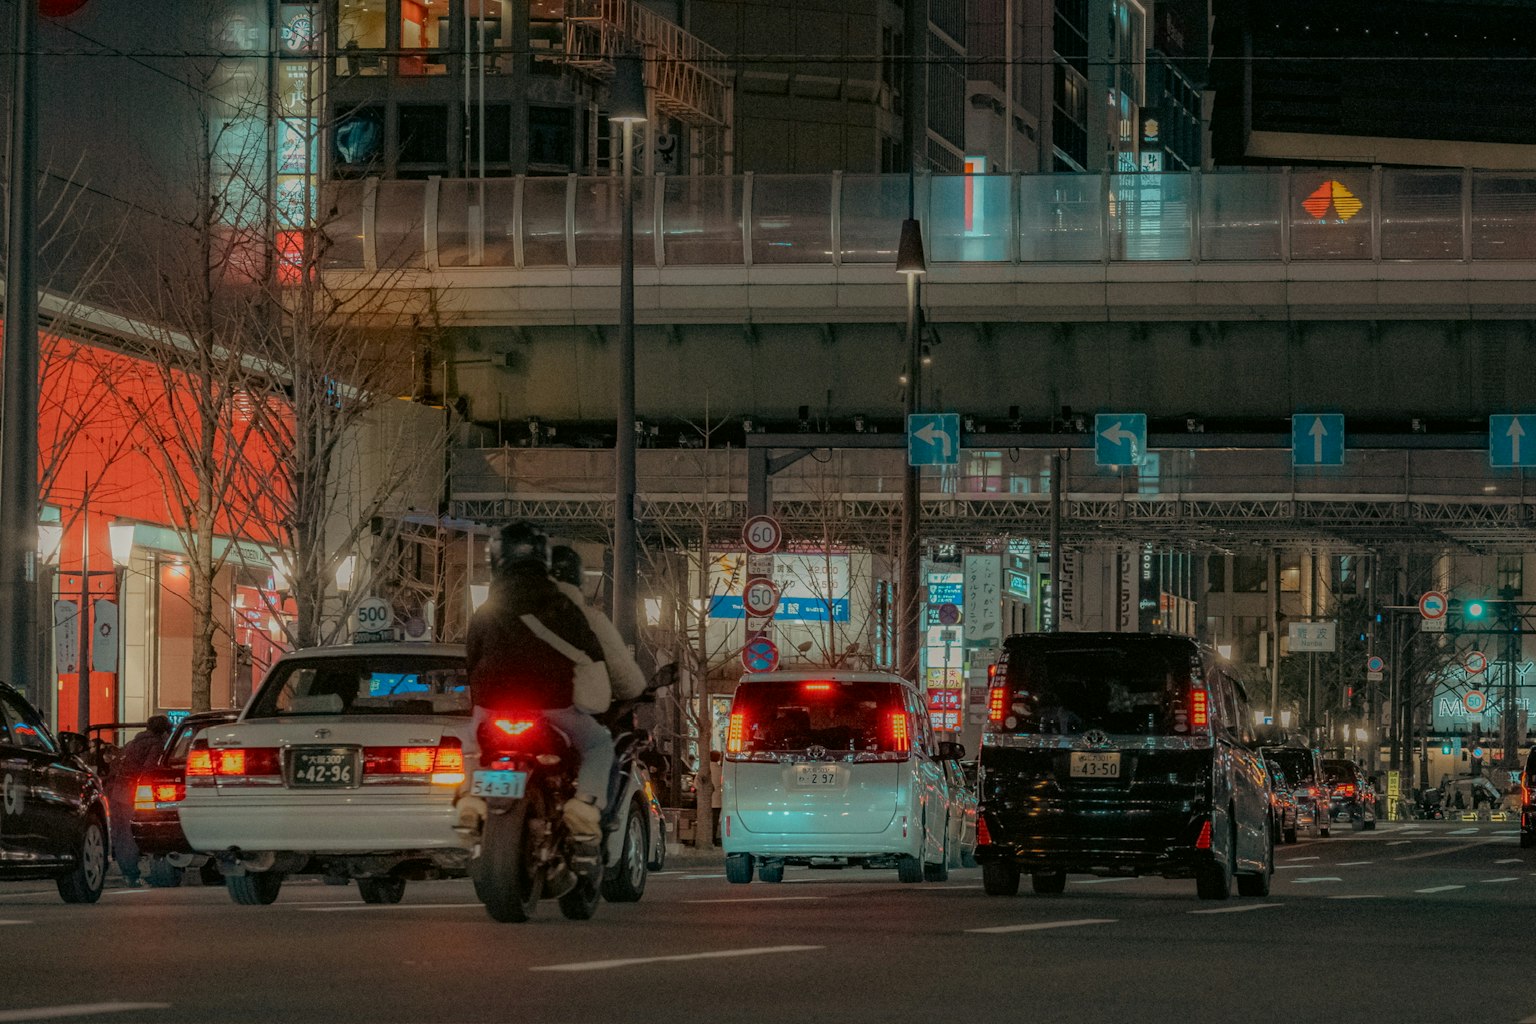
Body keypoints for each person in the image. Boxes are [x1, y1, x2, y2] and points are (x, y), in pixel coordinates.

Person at [464, 523, 611, 853]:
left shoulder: (487, 609)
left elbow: (471, 658)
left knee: (471, 745)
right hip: (552, 706)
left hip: (494, 707)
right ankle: (583, 807)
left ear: (496, 559)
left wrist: (481, 699)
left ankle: (470, 798)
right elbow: (590, 654)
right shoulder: (561, 605)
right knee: (599, 743)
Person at [548, 545, 647, 705]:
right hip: (569, 709)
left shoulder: (510, 616)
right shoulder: (591, 620)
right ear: (579, 580)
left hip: (508, 706)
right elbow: (629, 682)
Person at [107, 715, 172, 887]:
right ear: (164, 732)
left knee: (122, 833)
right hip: (135, 792)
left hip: (117, 790)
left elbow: (115, 765)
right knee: (135, 832)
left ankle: (128, 873)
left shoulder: (131, 743)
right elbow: (150, 770)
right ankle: (145, 873)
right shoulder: (157, 745)